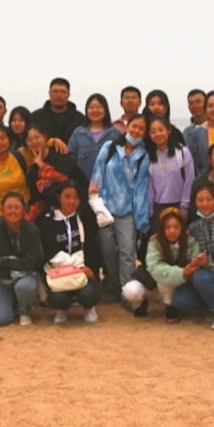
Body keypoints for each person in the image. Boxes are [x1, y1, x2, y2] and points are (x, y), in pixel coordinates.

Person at [122, 209, 214, 327]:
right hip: (154, 284)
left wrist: (204, 262)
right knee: (130, 290)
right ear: (162, 228)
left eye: (176, 227)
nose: (172, 231)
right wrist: (182, 272)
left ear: (182, 227)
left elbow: (201, 264)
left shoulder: (189, 241)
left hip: (177, 287)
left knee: (172, 288)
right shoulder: (154, 242)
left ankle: (170, 306)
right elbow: (156, 268)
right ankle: (145, 302)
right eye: (168, 227)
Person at [90, 115, 151, 305]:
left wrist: (141, 219)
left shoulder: (144, 156)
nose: (136, 131)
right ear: (127, 126)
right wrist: (95, 201)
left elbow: (141, 189)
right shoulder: (109, 147)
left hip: (127, 211)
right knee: (107, 251)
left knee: (127, 252)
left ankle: (128, 292)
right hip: (105, 210)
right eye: (134, 126)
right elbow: (97, 174)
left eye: (141, 128)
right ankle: (113, 286)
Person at [37, 183, 102, 323]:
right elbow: (51, 253)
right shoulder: (47, 221)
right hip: (60, 272)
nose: (71, 201)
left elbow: (106, 221)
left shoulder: (85, 218)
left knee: (89, 295)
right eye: (67, 197)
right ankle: (62, 309)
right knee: (58, 299)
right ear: (58, 197)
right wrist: (78, 267)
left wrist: (94, 198)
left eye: (75, 197)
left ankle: (89, 307)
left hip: (85, 272)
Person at [0, 192, 44, 326]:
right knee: (0, 319)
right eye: (9, 208)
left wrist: (5, 262)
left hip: (25, 277)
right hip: (1, 278)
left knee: (26, 286)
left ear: (24, 210)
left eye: (17, 207)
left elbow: (32, 262)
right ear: (2, 211)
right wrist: (11, 271)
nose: (13, 211)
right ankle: (12, 304)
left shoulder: (32, 231)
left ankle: (25, 311)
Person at [24, 124, 88, 221]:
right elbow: (37, 199)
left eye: (37, 137)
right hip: (50, 215)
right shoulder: (32, 170)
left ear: (44, 137)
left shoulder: (60, 155)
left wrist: (43, 167)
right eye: (29, 140)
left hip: (75, 209)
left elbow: (64, 182)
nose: (34, 142)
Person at [144, 115, 195, 218]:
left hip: (179, 205)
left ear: (168, 130)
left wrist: (185, 206)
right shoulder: (150, 156)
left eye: (160, 130)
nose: (157, 134)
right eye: (153, 131)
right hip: (158, 207)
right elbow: (150, 187)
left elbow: (190, 179)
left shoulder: (182, 152)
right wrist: (150, 210)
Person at [67, 93, 121, 179]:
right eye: (91, 107)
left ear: (106, 110)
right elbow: (70, 160)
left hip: (108, 183)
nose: (95, 110)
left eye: (99, 107)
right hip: (82, 184)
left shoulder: (115, 134)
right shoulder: (78, 133)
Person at [30, 77, 87, 145]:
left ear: (68, 95)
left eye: (63, 92)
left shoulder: (80, 119)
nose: (59, 95)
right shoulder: (35, 117)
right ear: (49, 94)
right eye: (55, 91)